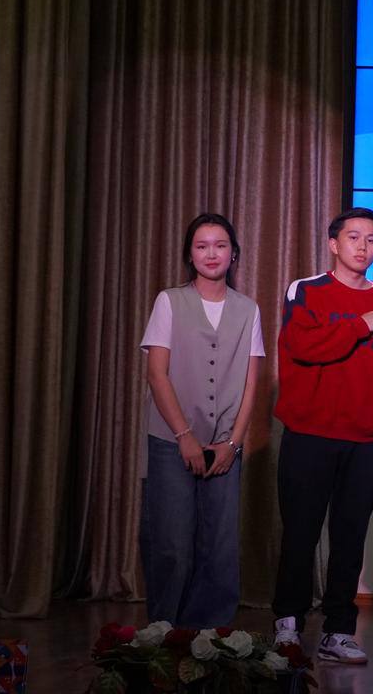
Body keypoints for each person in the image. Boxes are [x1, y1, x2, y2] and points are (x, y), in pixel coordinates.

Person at [271, 207, 373, 664]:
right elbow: (302, 346)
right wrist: (358, 326)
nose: (363, 247)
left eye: (371, 240)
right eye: (353, 237)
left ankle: (339, 630)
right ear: (333, 243)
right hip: (309, 433)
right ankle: (287, 622)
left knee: (350, 538)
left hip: (365, 440)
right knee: (300, 534)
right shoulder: (306, 290)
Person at [140, 213, 263, 628]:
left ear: (234, 254)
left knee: (220, 547)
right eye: (202, 246)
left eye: (221, 245)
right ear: (190, 255)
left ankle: (210, 638)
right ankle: (163, 632)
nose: (212, 254)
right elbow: (157, 374)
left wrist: (233, 444)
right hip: (171, 440)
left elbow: (251, 382)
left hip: (225, 442)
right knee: (172, 544)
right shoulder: (169, 301)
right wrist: (184, 436)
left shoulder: (248, 309)